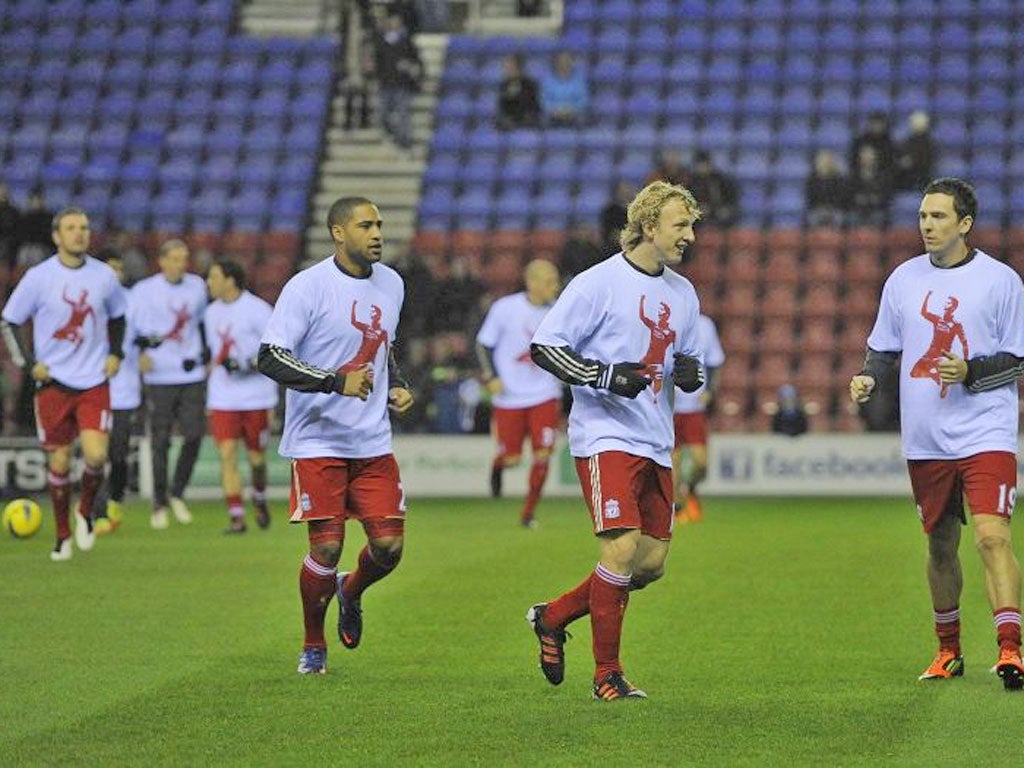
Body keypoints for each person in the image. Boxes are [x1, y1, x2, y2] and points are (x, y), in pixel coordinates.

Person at [525, 181, 705, 700]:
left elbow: (686, 362)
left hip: (654, 437)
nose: (690, 236)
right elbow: (545, 347)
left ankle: (553, 617)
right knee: (621, 548)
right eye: (680, 225)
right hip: (604, 434)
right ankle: (608, 675)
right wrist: (603, 375)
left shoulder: (683, 292)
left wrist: (692, 374)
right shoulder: (596, 283)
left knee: (648, 565)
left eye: (691, 225)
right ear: (649, 226)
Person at [849, 177, 1024, 691]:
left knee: (993, 536)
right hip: (926, 438)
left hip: (985, 431)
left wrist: (969, 372)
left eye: (938, 216)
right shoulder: (903, 279)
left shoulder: (1000, 281)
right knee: (941, 545)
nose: (927, 224)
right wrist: (868, 377)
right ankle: (948, 651)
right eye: (924, 216)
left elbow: (1016, 361)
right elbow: (883, 348)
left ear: (965, 223)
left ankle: (1011, 648)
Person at [256, 196, 414, 675]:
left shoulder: (393, 284)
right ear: (338, 233)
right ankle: (312, 644)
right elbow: (270, 357)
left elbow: (385, 348)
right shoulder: (307, 288)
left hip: (371, 441)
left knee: (389, 548)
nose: (378, 233)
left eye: (380, 225)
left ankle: (351, 589)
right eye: (366, 225)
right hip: (317, 442)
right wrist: (334, 381)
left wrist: (399, 384)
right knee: (325, 548)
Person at [0, 207, 126, 561]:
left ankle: (84, 510)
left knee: (96, 456)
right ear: (57, 236)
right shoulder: (39, 277)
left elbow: (118, 317)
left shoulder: (104, 276)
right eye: (71, 228)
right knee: (58, 463)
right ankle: (62, 534)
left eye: (84, 227)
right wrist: (29, 363)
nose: (79, 233)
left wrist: (116, 353)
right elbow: (9, 321)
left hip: (93, 381)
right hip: (53, 382)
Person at [475, 259, 562, 527]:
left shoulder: (560, 311)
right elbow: (483, 344)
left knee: (544, 454)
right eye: (549, 282)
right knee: (513, 459)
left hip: (545, 394)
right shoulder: (505, 308)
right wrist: (491, 377)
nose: (555, 287)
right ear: (531, 283)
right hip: (509, 396)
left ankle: (528, 514)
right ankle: (499, 464)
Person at [130, 239, 209, 530]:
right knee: (160, 440)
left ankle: (177, 492)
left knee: (194, 435)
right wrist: (140, 355)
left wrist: (208, 353)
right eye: (175, 259)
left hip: (191, 372)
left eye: (184, 258)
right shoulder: (143, 291)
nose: (181, 264)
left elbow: (204, 323)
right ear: (161, 261)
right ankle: (160, 502)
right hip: (159, 374)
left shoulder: (197, 286)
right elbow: (132, 329)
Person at [204, 260, 278, 534]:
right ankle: (236, 515)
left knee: (257, 459)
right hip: (222, 396)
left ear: (230, 280)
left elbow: (276, 351)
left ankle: (258, 496)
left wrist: (247, 363)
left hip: (256, 397)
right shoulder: (210, 313)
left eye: (213, 276)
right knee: (227, 456)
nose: (208, 282)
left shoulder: (258, 310)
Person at [91, 252, 140, 534]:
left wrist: (146, 346)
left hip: (124, 390)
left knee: (118, 455)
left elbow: (144, 332)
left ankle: (116, 499)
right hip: (93, 388)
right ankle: (97, 512)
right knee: (96, 455)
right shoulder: (88, 299)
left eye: (119, 268)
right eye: (110, 268)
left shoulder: (134, 301)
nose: (115, 273)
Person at [672, 313, 724, 523]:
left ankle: (690, 487)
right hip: (669, 408)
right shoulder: (663, 322)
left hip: (694, 406)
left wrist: (710, 390)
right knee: (672, 463)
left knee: (701, 462)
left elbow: (714, 361)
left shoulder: (705, 325)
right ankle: (678, 509)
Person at [373, 13, 423, 152]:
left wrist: (412, 67)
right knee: (383, 115)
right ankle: (394, 134)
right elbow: (377, 63)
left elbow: (418, 62)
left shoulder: (407, 42)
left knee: (403, 114)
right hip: (385, 85)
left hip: (402, 85)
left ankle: (405, 142)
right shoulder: (381, 42)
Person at [688, 151, 739, 228]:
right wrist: (698, 209)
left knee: (727, 218)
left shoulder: (721, 180)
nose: (703, 167)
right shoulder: (692, 182)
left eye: (705, 164)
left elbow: (731, 196)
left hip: (719, 211)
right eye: (700, 165)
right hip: (700, 214)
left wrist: (727, 208)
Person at [804, 149, 851, 228]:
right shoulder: (812, 180)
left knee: (839, 218)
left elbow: (841, 196)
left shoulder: (838, 179)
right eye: (821, 161)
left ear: (831, 163)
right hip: (817, 210)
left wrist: (830, 208)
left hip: (834, 210)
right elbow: (810, 197)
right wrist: (820, 208)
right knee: (812, 219)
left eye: (827, 161)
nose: (824, 164)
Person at [540, 51, 588, 127]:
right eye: (561, 60)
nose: (564, 63)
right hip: (552, 116)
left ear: (572, 62)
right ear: (556, 62)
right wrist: (556, 110)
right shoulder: (547, 80)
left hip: (575, 116)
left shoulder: (579, 80)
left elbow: (583, 100)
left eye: (567, 60)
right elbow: (544, 100)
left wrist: (571, 110)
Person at [496, 54, 541, 130]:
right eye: (505, 67)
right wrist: (508, 96)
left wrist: (517, 94)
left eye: (509, 67)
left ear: (517, 67)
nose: (506, 70)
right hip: (510, 119)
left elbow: (534, 104)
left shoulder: (529, 83)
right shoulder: (504, 85)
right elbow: (502, 105)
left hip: (526, 117)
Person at [895, 110, 936, 192]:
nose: (916, 125)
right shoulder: (909, 141)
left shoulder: (929, 143)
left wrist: (912, 161)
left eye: (920, 122)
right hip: (908, 176)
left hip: (923, 176)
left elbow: (927, 161)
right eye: (914, 122)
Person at [599, 182, 634, 254]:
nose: (626, 193)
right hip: (614, 249)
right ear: (617, 194)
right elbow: (610, 233)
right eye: (622, 191)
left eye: (627, 191)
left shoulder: (635, 211)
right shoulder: (609, 212)